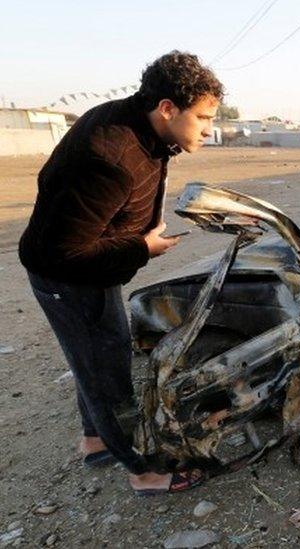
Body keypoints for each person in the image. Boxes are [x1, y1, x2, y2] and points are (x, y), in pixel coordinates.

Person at [18, 51, 223, 496]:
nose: (209, 129)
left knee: (93, 358)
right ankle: (144, 471)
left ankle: (95, 441)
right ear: (168, 108)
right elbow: (66, 252)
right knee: (106, 369)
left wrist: (129, 233)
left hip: (90, 269)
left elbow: (58, 188)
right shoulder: (111, 152)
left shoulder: (140, 127)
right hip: (68, 280)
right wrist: (140, 246)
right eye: (203, 118)